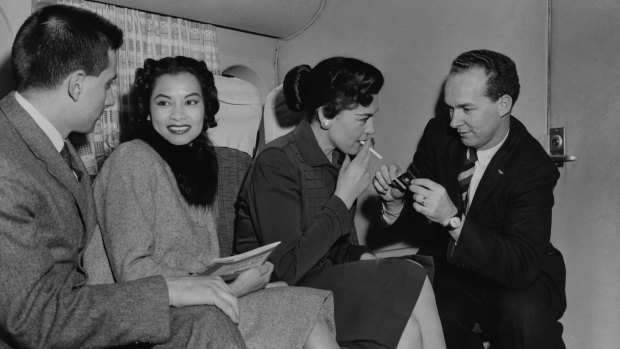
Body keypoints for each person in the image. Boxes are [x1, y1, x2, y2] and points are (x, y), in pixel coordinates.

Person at [1, 5, 263, 348]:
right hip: (54, 331)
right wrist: (169, 289)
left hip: (81, 316)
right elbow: (34, 320)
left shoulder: (53, 146)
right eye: (108, 84)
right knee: (209, 324)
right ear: (77, 85)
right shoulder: (7, 163)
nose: (112, 100)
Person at [92, 55, 338, 349]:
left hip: (189, 309)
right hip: (142, 320)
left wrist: (243, 284)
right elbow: (131, 273)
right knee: (301, 315)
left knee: (297, 302)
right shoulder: (132, 159)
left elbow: (197, 267)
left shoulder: (195, 166)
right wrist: (230, 288)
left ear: (206, 108)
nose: (178, 116)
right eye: (164, 103)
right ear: (147, 111)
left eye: (191, 102)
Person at [235, 56, 446, 349]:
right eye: (363, 119)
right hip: (282, 289)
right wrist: (343, 196)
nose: (371, 130)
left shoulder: (339, 161)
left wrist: (365, 258)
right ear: (326, 116)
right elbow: (287, 268)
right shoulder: (276, 162)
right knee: (404, 323)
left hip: (323, 279)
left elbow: (338, 246)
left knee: (413, 275)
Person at [373, 49, 566, 348]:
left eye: (466, 109)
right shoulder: (439, 135)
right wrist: (394, 202)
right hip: (458, 271)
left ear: (503, 104)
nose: (453, 122)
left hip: (516, 272)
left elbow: (522, 264)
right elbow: (418, 196)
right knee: (430, 314)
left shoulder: (533, 167)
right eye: (450, 108)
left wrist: (452, 219)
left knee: (523, 315)